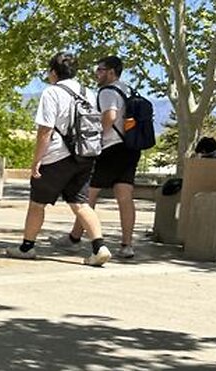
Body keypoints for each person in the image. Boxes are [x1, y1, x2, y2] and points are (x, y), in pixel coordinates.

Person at [6, 52, 111, 267]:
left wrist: (37, 160)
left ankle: (27, 247)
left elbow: (45, 130)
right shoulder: (88, 93)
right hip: (85, 155)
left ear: (54, 72)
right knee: (80, 203)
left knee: (37, 203)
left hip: (57, 156)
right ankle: (99, 247)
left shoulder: (52, 93)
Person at [67, 56, 140, 259]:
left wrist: (97, 139)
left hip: (110, 148)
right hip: (130, 148)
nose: (96, 74)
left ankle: (75, 239)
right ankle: (127, 245)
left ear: (111, 71)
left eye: (100, 70)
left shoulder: (108, 91)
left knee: (87, 195)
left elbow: (110, 117)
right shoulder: (128, 89)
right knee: (125, 196)